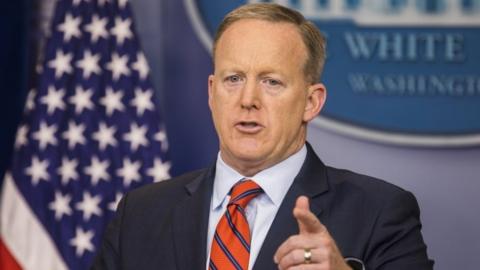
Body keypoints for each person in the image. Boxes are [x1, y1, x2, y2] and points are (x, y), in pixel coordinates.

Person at [92, 3, 433, 270]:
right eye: (234, 79)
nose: (248, 100)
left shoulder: (380, 211)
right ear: (212, 93)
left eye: (271, 81)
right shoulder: (140, 213)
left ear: (311, 102)